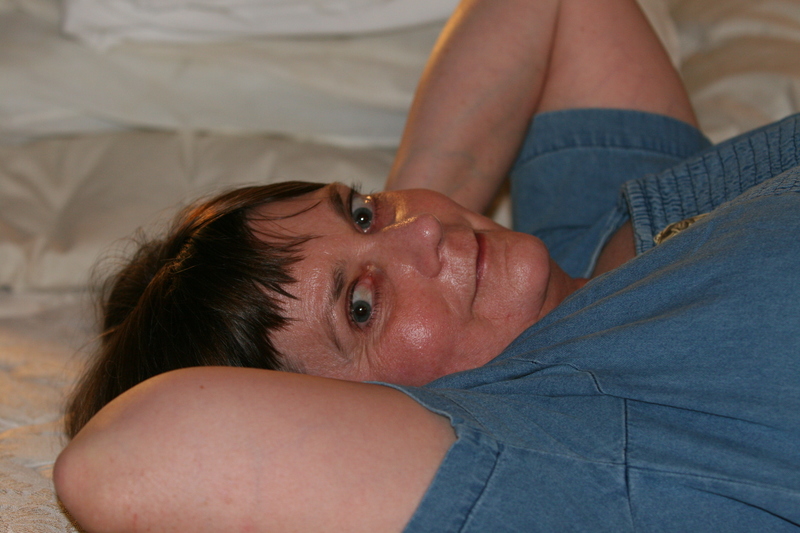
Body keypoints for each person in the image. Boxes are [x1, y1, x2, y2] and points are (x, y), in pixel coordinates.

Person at [54, 0, 800, 531]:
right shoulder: (566, 445)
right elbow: (118, 466)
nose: (427, 232)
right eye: (360, 309)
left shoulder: (579, 237)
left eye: (361, 210)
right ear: (358, 425)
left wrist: (404, 247)